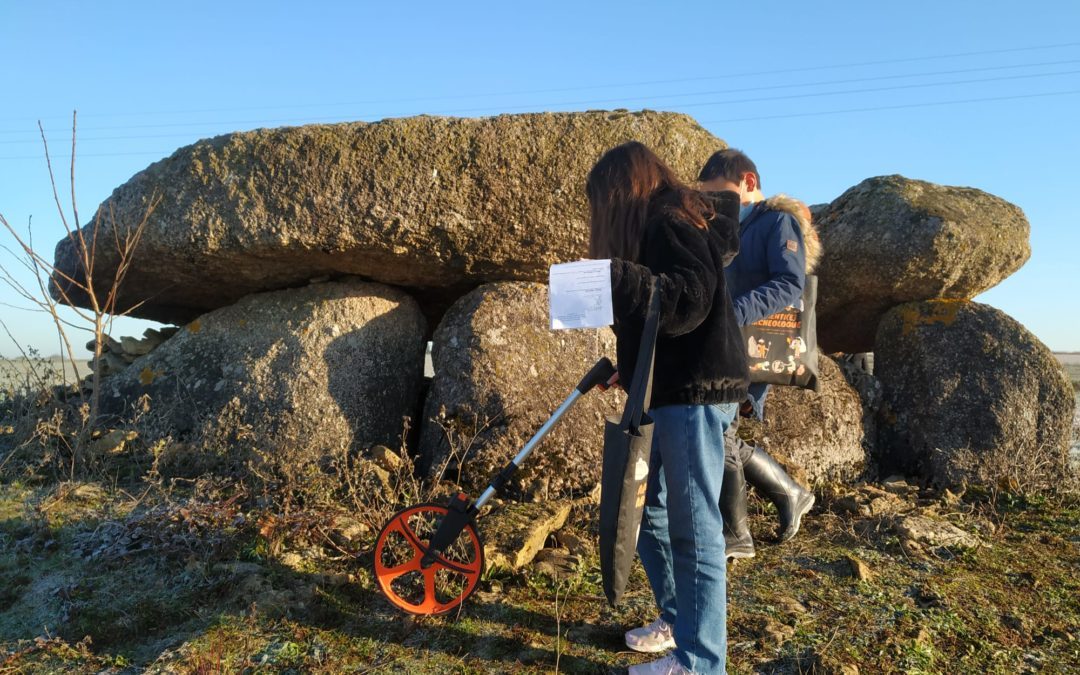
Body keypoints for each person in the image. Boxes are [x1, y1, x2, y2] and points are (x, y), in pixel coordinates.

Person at [588, 141, 748, 674]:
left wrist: (616, 277)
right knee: (651, 513)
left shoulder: (668, 219)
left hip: (694, 392)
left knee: (693, 524)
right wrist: (629, 370)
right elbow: (660, 319)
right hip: (673, 390)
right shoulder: (667, 221)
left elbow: (688, 298)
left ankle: (701, 663)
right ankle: (682, 627)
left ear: (621, 190)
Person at [698, 148, 820, 560]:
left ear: (748, 182)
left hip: (755, 345)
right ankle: (789, 492)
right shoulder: (729, 227)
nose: (716, 206)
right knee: (721, 431)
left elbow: (790, 283)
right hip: (726, 343)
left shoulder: (775, 221)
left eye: (721, 195)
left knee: (718, 431)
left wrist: (732, 313)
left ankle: (737, 536)